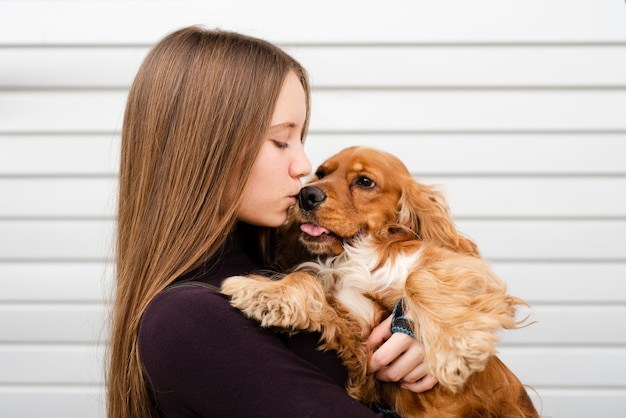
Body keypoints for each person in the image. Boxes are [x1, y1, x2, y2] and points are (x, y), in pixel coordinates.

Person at [107, 26, 436, 418]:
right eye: (281, 141)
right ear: (205, 148)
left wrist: (418, 326)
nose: (303, 167)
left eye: (300, 139)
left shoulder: (288, 264)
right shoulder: (190, 319)